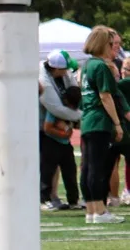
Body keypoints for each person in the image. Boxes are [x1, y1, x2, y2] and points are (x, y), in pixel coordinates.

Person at [79, 25, 125, 224]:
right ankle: (100, 210)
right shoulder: (100, 66)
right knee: (98, 168)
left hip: (87, 120)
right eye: (110, 43)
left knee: (88, 167)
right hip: (99, 121)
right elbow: (106, 96)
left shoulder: (87, 65)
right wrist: (117, 123)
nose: (112, 47)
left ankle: (91, 209)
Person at [40, 51, 82, 211]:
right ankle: (45, 199)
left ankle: (72, 200)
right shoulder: (45, 82)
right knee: (47, 170)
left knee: (69, 171)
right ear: (55, 68)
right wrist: (65, 132)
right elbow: (50, 121)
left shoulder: (61, 80)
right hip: (52, 140)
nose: (66, 73)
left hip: (64, 142)